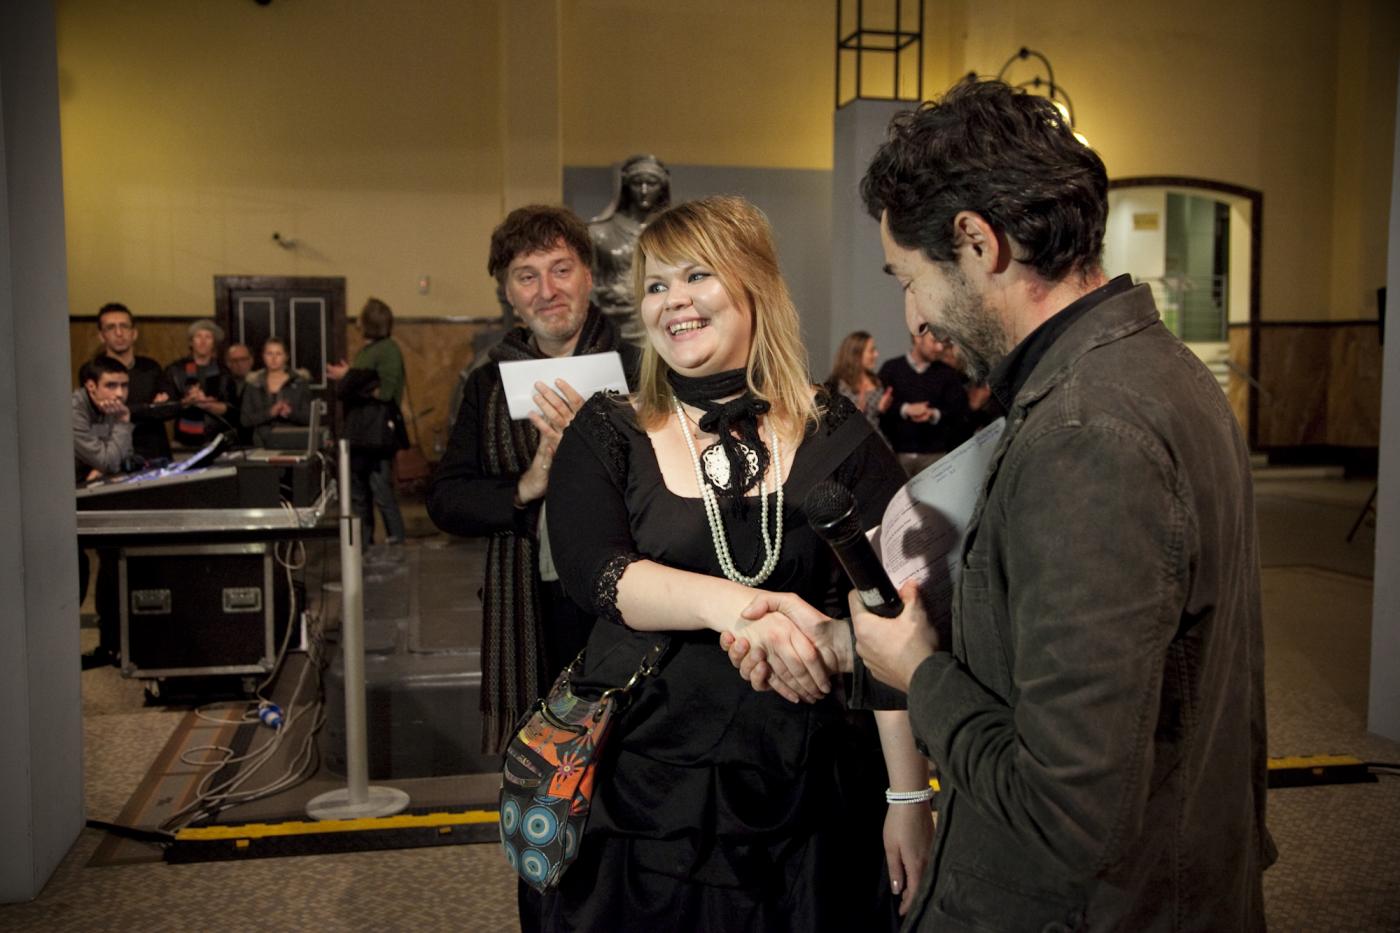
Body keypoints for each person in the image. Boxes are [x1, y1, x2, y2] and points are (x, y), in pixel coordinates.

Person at [735, 78, 1274, 932]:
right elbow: (1088, 656)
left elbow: (1067, 811)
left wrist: (919, 673)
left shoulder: (1089, 432)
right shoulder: (1147, 365)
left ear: (979, 243)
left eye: (912, 279)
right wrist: (850, 646)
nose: (915, 314)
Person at [540, 195, 930, 931]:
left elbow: (888, 613)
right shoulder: (610, 428)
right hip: (650, 784)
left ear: (754, 285)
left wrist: (908, 796)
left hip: (814, 787)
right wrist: (748, 613)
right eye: (657, 285)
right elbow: (597, 573)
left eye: (697, 276)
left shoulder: (835, 431)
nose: (674, 301)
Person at [429, 205, 641, 751]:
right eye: (527, 276)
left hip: (627, 598)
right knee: (544, 756)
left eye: (561, 269)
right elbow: (447, 500)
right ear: (509, 293)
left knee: (627, 746)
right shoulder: (487, 385)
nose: (547, 291)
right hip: (530, 605)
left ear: (588, 276)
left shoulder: (641, 370)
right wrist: (530, 481)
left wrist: (594, 455)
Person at [328, 298, 407, 546]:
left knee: (380, 491)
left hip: (375, 435)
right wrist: (354, 378)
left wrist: (351, 377)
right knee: (361, 493)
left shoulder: (386, 349)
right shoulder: (372, 350)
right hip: (362, 433)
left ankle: (395, 542)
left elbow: (386, 392)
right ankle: (364, 545)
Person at [74, 356, 134, 670]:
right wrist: (122, 423)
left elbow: (121, 458)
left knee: (113, 557)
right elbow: (109, 460)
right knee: (76, 567)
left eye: (124, 385)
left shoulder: (107, 408)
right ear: (91, 386)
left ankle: (111, 646)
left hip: (89, 495)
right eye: (111, 385)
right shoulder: (74, 411)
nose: (120, 393)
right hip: (52, 499)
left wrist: (105, 463)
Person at [588, 153, 671, 345]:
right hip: (615, 329)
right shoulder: (599, 232)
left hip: (663, 327)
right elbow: (587, 286)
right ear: (626, 186)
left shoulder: (672, 232)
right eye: (637, 183)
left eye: (651, 183)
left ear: (662, 187)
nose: (644, 190)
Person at [876, 327, 972, 475]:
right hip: (897, 455)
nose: (940, 348)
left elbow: (959, 411)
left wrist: (933, 414)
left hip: (936, 457)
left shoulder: (947, 373)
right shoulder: (890, 369)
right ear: (917, 337)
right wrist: (906, 409)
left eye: (941, 343)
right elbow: (879, 409)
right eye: (934, 341)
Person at [92, 302, 172, 464]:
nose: (119, 333)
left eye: (124, 326)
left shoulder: (151, 367)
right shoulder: (92, 370)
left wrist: (124, 412)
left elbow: (168, 409)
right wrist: (148, 408)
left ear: (134, 333)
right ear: (101, 336)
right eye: (111, 328)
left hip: (156, 456)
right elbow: (97, 421)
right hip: (114, 458)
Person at [163, 319, 237, 449]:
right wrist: (187, 402)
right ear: (191, 342)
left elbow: (231, 409)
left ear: (214, 343)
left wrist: (207, 404)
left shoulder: (223, 372)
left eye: (208, 337)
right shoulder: (175, 370)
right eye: (198, 336)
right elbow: (167, 406)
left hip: (215, 439)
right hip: (182, 439)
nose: (203, 341)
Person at [240, 337, 313, 447]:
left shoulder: (299, 383)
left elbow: (309, 418)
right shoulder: (253, 384)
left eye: (278, 354)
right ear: (263, 356)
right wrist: (270, 413)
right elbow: (245, 420)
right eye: (269, 353)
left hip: (293, 442)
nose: (273, 358)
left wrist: (290, 413)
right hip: (262, 443)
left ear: (286, 357)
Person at [826, 330, 892, 426]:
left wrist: (883, 409)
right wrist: (857, 409)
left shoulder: (877, 380)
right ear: (856, 355)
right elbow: (832, 422)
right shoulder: (836, 385)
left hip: (877, 434)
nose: (876, 354)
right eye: (871, 350)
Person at [224, 342, 256, 446]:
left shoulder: (260, 383)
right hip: (229, 440)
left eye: (243, 359)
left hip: (255, 439)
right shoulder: (223, 384)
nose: (239, 364)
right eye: (235, 360)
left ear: (251, 360)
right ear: (228, 363)